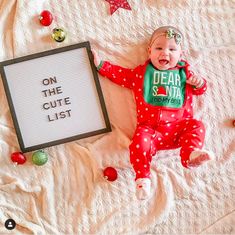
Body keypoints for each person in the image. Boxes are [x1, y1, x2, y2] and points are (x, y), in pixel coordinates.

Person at [93, 26, 214, 200]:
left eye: (172, 49)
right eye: (159, 48)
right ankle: (142, 177)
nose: (165, 53)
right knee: (139, 141)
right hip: (151, 130)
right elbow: (121, 75)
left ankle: (191, 154)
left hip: (179, 128)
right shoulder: (141, 74)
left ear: (180, 54)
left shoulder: (184, 73)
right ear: (149, 51)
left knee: (197, 125)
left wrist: (199, 83)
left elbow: (200, 90)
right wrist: (101, 65)